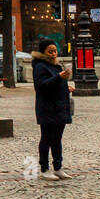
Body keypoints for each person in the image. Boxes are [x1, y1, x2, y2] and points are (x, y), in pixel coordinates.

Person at [32, 39, 73, 181]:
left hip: (59, 107)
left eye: (55, 51)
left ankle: (58, 167)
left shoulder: (55, 65)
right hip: (47, 108)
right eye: (50, 51)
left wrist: (65, 86)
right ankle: (44, 168)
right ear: (43, 51)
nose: (53, 53)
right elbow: (41, 86)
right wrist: (59, 77)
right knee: (46, 138)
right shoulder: (40, 66)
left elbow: (55, 83)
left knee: (57, 139)